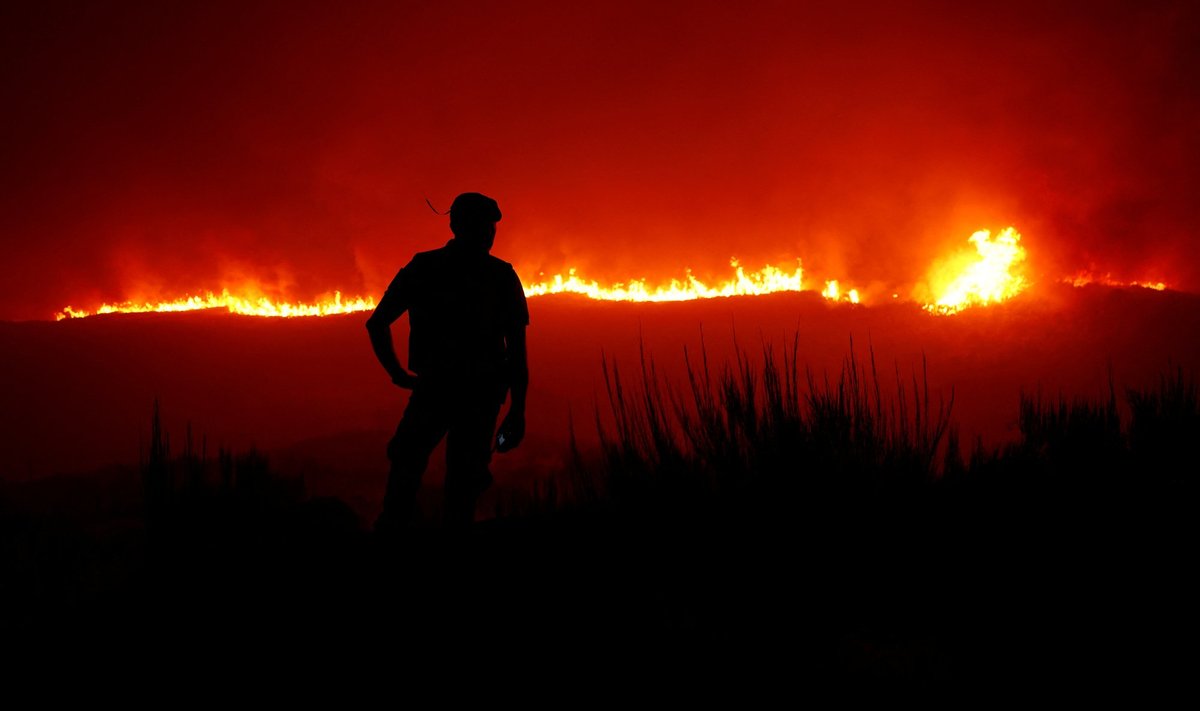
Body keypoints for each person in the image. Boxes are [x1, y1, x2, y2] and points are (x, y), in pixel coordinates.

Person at [366, 192, 529, 530]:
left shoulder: (425, 268)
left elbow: (377, 323)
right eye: (485, 226)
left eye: (490, 227)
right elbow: (517, 352)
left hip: (440, 389)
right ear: (461, 226)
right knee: (460, 479)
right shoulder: (501, 276)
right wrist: (517, 409)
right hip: (478, 394)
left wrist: (397, 372)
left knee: (410, 461)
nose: (489, 233)